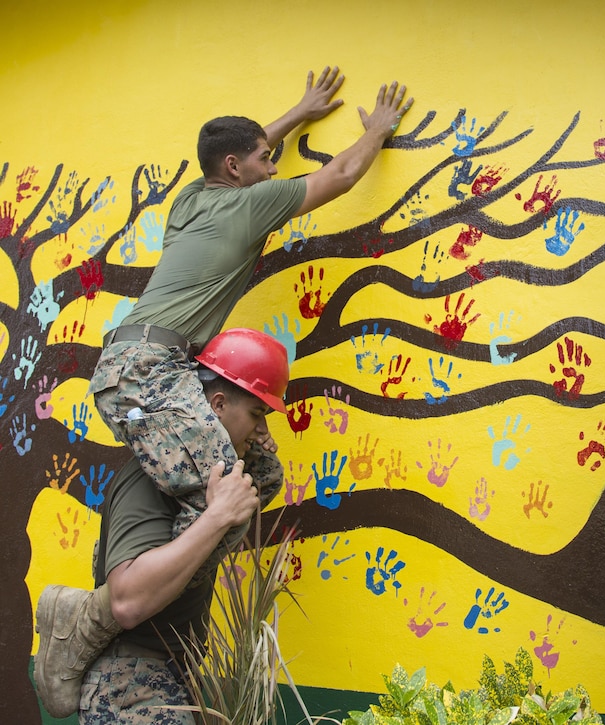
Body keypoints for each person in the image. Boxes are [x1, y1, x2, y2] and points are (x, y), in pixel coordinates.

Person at [33, 67, 412, 716]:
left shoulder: (192, 199)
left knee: (256, 472)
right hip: (147, 370)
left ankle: (162, 610)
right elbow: (342, 176)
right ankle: (91, 619)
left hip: (141, 364)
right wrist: (376, 129)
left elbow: (249, 143)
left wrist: (298, 110)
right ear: (235, 169)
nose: (275, 165)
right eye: (267, 160)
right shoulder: (248, 201)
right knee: (215, 491)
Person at [35, 328, 290, 722]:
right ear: (218, 404)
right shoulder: (150, 478)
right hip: (130, 683)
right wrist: (217, 517)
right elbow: (127, 600)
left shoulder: (203, 478)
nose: (263, 431)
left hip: (168, 677)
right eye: (257, 415)